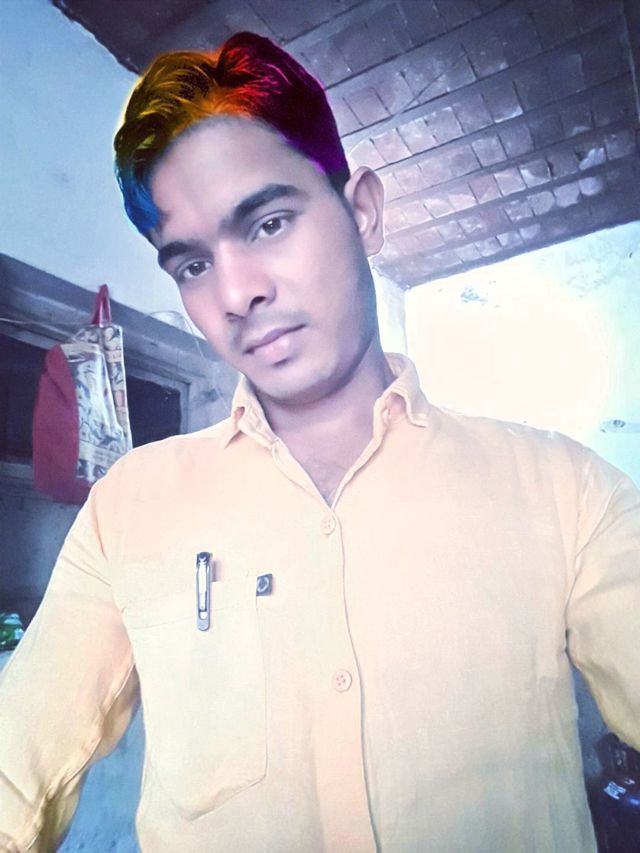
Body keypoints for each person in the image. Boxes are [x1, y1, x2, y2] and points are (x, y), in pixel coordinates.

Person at [1, 30, 639, 853]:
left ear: (362, 211)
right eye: (191, 265)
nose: (236, 292)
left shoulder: (564, 490)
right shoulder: (130, 507)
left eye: (268, 222)